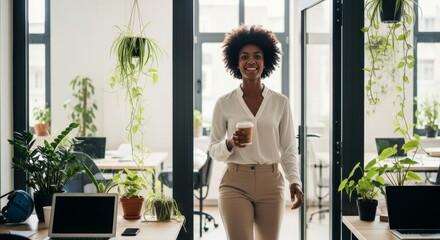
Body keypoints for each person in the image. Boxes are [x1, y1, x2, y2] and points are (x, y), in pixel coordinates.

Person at [208, 24, 303, 240]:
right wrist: (230, 143)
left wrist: (294, 181)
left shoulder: (280, 102)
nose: (251, 61)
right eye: (244, 56)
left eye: (257, 56)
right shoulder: (224, 103)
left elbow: (288, 147)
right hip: (235, 181)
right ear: (236, 62)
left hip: (271, 182)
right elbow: (213, 148)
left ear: (265, 61)